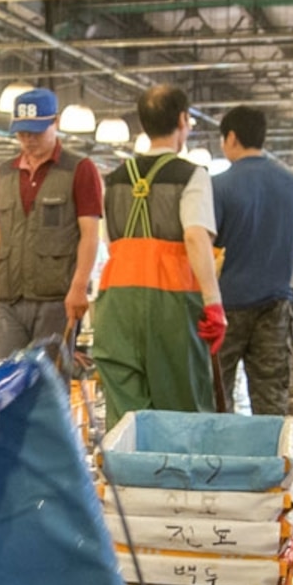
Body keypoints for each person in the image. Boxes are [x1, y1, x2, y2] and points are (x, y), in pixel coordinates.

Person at [92, 85, 223, 419]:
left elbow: (110, 242)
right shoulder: (192, 176)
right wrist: (213, 303)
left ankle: (129, 456)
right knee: (181, 409)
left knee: (126, 413)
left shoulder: (114, 180)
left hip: (116, 302)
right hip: (172, 304)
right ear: (183, 120)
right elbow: (195, 237)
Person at [0, 88, 103, 360]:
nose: (28, 140)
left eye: (36, 132)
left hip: (56, 301)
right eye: (22, 133)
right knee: (4, 376)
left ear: (55, 122)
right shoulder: (5, 173)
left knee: (48, 379)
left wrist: (79, 287)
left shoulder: (79, 169)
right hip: (10, 300)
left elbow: (89, 234)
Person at [207, 104, 293, 414]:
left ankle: (220, 446)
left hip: (226, 308)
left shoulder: (219, 185)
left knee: (217, 396)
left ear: (231, 138)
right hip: (275, 306)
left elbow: (206, 242)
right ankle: (270, 447)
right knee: (271, 400)